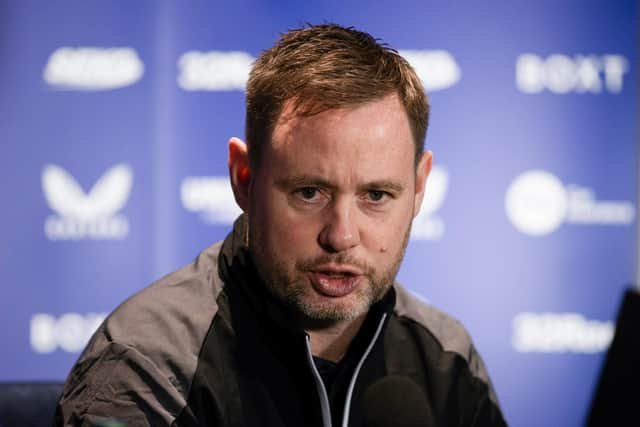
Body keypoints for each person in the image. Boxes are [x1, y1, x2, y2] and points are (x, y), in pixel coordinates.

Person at [55, 24, 507, 427]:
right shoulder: (148, 368)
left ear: (420, 187)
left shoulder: (447, 359)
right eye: (310, 192)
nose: (341, 236)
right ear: (244, 179)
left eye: (376, 196)